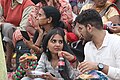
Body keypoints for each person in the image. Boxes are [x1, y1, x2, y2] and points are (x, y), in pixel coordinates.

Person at [74, 9, 120, 80]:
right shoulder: (88, 46)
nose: (79, 32)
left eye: (80, 28)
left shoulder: (117, 42)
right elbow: (86, 73)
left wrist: (99, 66)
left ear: (89, 28)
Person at [0, 0, 34, 71]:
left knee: (8, 28)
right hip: (6, 31)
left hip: (19, 34)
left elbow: (23, 28)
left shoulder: (28, 5)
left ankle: (8, 63)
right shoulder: (3, 1)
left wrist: (4, 23)